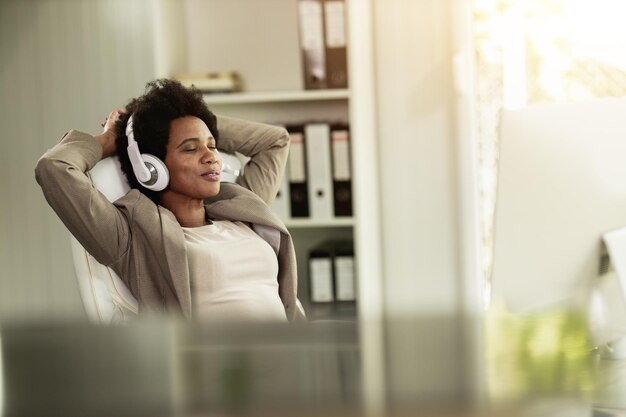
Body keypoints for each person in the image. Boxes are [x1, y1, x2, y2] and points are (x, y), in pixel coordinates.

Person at [35, 79, 306, 322]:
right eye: (190, 148)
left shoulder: (238, 207)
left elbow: (275, 142)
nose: (211, 156)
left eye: (212, 145)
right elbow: (54, 168)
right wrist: (114, 137)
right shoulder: (133, 238)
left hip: (288, 351)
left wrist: (194, 119)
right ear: (150, 167)